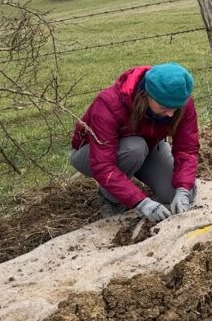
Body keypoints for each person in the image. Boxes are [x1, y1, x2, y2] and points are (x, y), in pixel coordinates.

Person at [70, 63, 198, 223]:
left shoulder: (179, 101)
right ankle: (110, 198)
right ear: (147, 95)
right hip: (93, 154)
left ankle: (136, 186)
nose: (171, 114)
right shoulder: (109, 103)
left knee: (174, 193)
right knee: (135, 148)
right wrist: (141, 202)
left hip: (149, 148)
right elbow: (103, 165)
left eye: (175, 108)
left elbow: (187, 149)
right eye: (164, 107)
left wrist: (183, 189)